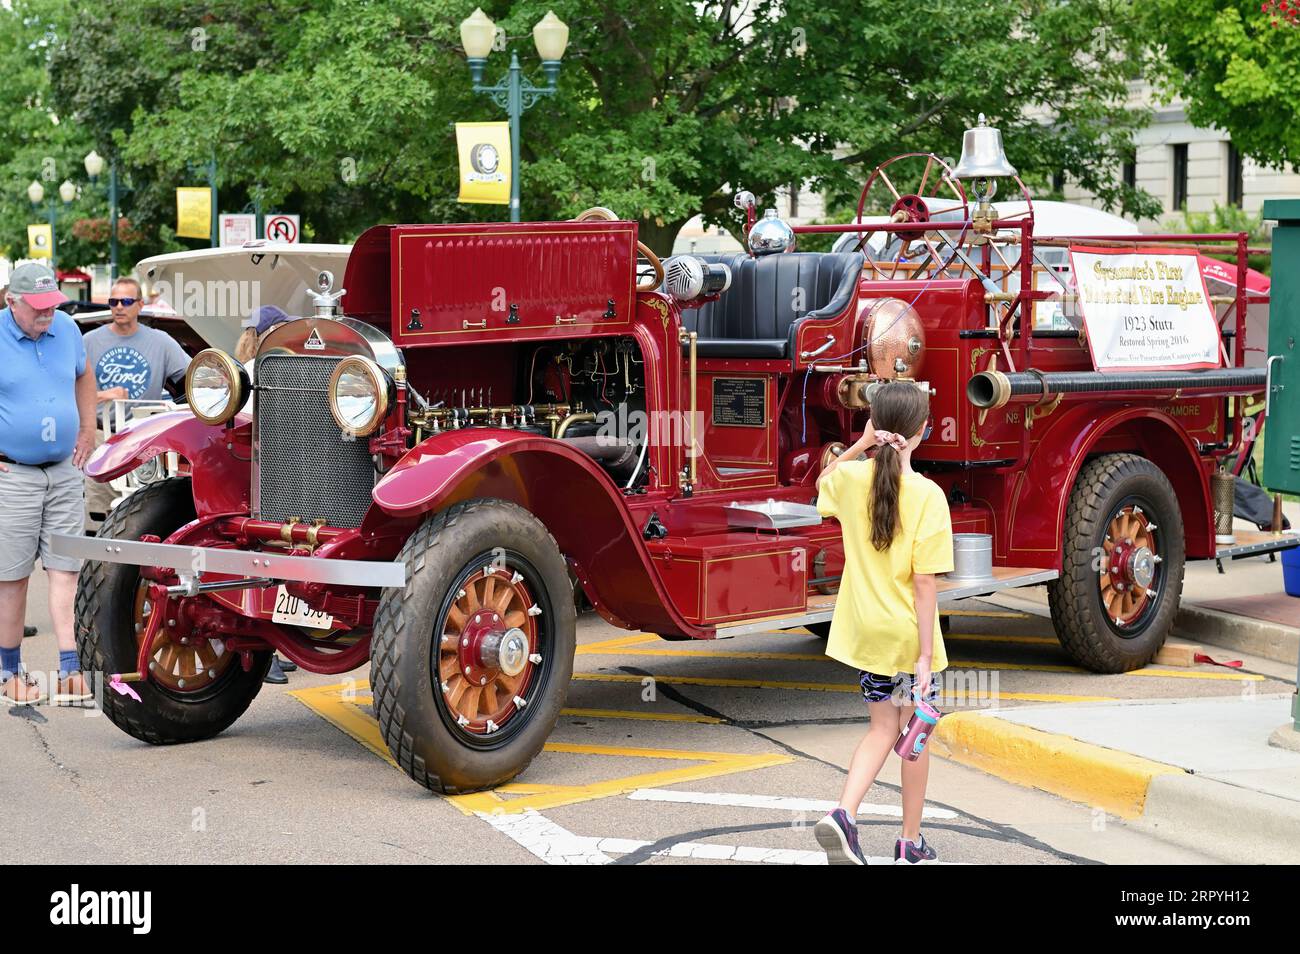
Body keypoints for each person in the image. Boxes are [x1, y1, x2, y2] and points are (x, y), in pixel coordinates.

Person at [811, 381, 953, 864]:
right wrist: (925, 660)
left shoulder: (853, 482)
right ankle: (909, 844)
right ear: (922, 433)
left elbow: (823, 482)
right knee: (914, 737)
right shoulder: (930, 496)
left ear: (876, 425)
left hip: (868, 635)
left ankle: (844, 815)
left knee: (880, 729)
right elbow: (925, 584)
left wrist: (860, 443)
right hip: (909, 638)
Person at [0, 263, 98, 706]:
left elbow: (84, 374)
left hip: (62, 469)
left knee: (66, 571)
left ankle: (70, 669)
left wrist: (88, 428)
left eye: (51, 306)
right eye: (37, 309)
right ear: (11, 301)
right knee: (12, 577)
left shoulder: (67, 329)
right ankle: (9, 671)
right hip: (13, 471)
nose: (46, 316)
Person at [83, 277, 191, 523]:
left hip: (143, 439)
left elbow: (195, 376)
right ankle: (100, 557)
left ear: (140, 305)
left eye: (126, 301)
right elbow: (67, 389)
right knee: (100, 512)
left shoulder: (161, 341)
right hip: (102, 436)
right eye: (113, 301)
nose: (119, 306)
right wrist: (104, 395)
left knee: (142, 507)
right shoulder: (89, 342)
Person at [235, 305, 298, 684]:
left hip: (261, 472)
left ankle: (274, 649)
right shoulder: (271, 369)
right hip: (267, 474)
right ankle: (265, 651)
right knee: (265, 561)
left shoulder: (244, 368)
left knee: (266, 559)